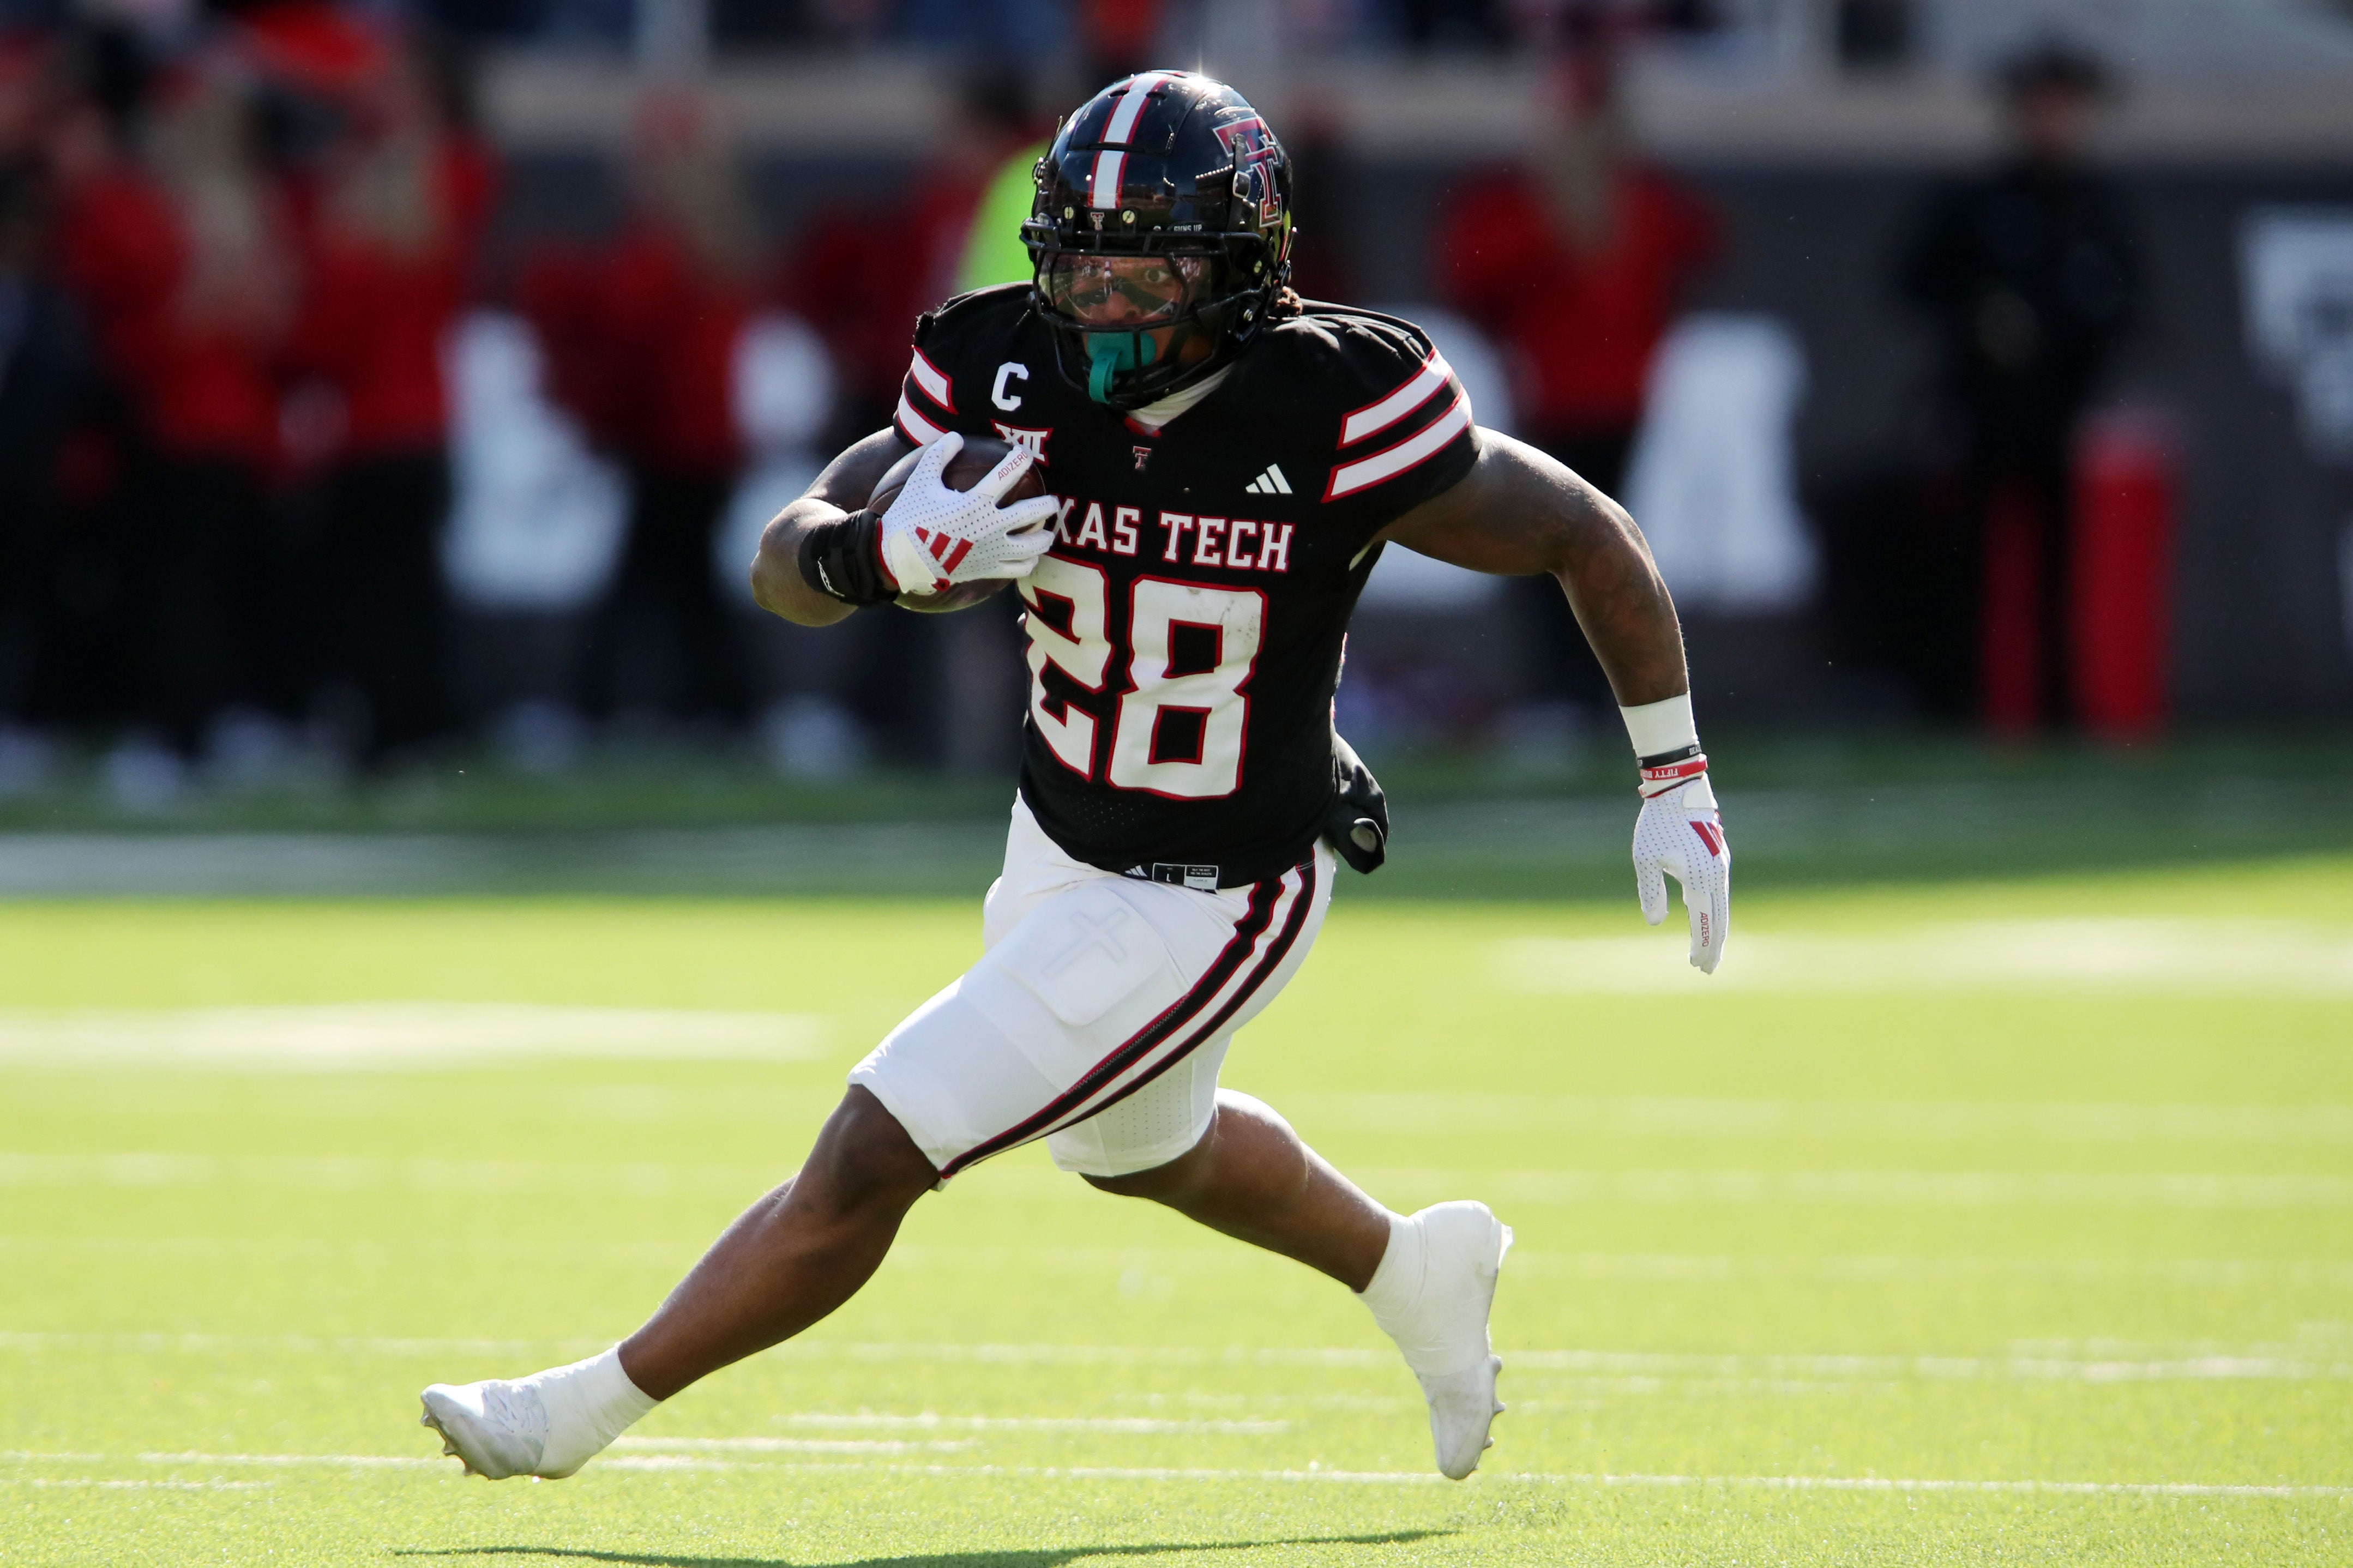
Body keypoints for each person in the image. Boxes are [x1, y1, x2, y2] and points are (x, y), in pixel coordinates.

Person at [418, 71, 1732, 1487]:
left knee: (874, 1145)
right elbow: (787, 553)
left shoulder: (1335, 400)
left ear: (1242, 264)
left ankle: (578, 1409)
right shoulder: (1002, 370)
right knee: (1139, 1148)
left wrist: (1674, 771)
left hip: (1220, 884)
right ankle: (1414, 1268)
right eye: (1078, 259)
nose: (1099, 298)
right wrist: (868, 561)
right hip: (1058, 828)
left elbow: (1585, 535)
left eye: (1143, 263)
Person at [1435, 47, 1717, 714]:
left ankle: (1587, 690)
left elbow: (1700, 246)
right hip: (1556, 405)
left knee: (1583, 547)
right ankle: (1571, 689)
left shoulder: (1637, 200)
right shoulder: (1532, 206)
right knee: (1562, 547)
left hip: (1611, 405)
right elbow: (1469, 271)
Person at [1898, 39, 2140, 731]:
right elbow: (1916, 280)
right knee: (1965, 565)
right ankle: (1964, 704)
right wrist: (1979, 315)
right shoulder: (1979, 199)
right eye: (2039, 107)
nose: (2051, 122)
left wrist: (2077, 335)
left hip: (2064, 414)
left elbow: (2128, 299)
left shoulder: (2097, 204)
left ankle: (2059, 708)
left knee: (2060, 571)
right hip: (1981, 409)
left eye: (2063, 108)